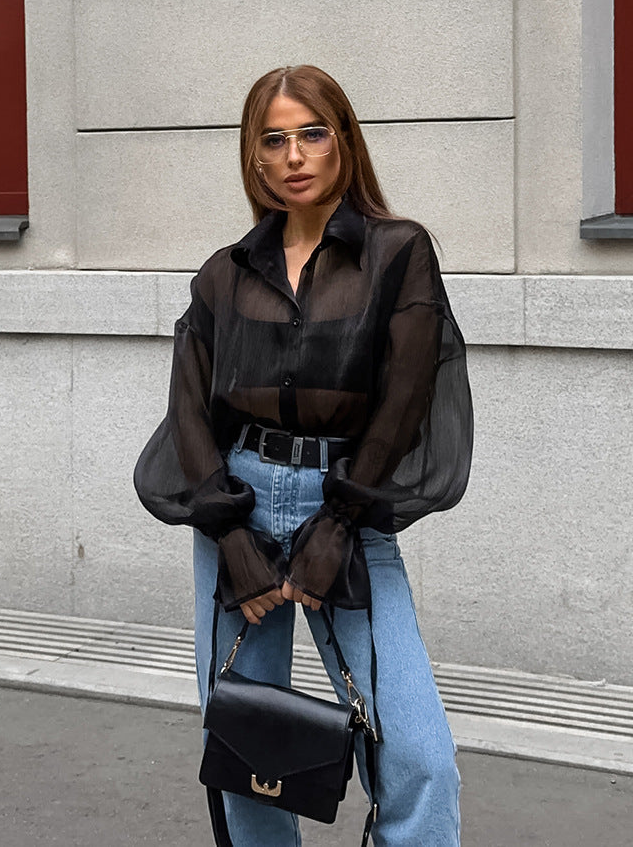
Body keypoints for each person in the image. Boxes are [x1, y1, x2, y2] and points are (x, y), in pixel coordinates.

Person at [134, 64, 472, 847]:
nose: (295, 154)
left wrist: (338, 525)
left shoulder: (397, 253)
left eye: (313, 132)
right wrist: (227, 536)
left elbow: (407, 395)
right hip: (237, 505)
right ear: (254, 158)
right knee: (250, 744)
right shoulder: (225, 273)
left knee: (419, 751)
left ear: (345, 142)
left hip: (348, 500)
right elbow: (189, 409)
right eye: (274, 139)